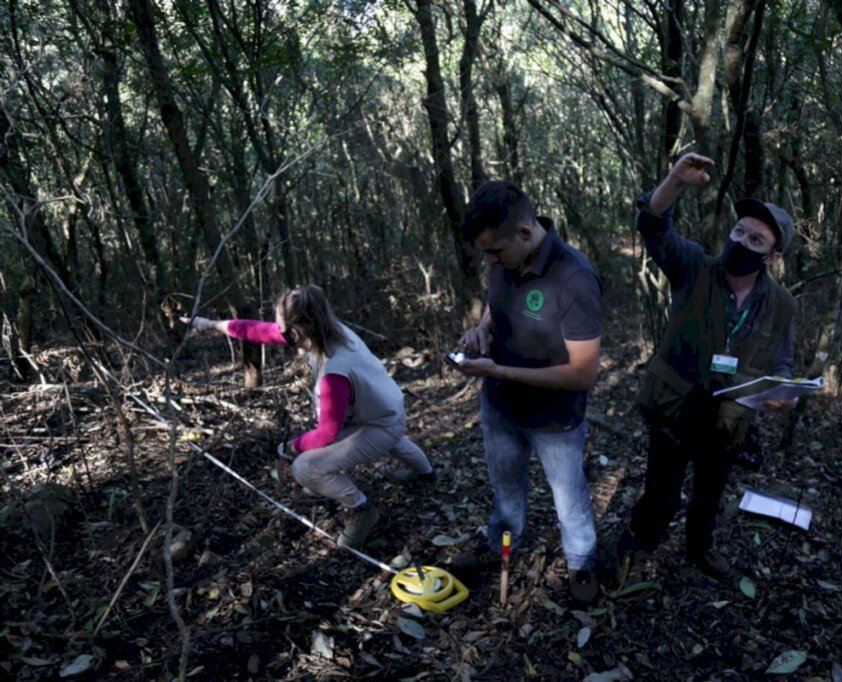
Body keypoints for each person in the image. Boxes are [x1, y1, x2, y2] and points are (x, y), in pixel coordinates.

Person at [617, 153, 798, 580]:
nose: (742, 242)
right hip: (675, 409)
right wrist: (675, 180)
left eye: (756, 241)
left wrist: (783, 391)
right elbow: (654, 226)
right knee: (662, 492)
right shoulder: (694, 267)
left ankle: (700, 548)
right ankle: (640, 544)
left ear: (772, 257)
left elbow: (782, 360)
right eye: (739, 232)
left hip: (728, 422)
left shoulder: (781, 304)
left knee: (709, 495)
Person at [183, 284, 435, 547]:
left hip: (381, 425)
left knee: (305, 468)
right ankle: (427, 474)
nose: (277, 329)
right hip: (387, 410)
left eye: (281, 325)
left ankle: (362, 510)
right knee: (395, 440)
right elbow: (256, 331)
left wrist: (289, 447)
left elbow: (326, 434)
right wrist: (208, 324)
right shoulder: (330, 331)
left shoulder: (334, 373)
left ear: (296, 331)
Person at [451, 181, 603, 604]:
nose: (489, 261)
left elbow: (583, 373)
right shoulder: (504, 258)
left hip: (554, 418)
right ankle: (501, 540)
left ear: (524, 232)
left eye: (494, 252)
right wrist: (481, 330)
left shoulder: (574, 278)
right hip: (500, 406)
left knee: (569, 499)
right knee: (505, 488)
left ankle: (581, 562)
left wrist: (498, 369)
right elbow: (494, 304)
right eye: (485, 253)